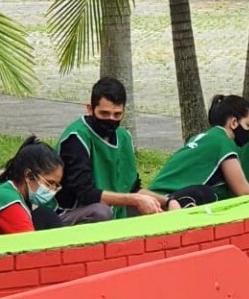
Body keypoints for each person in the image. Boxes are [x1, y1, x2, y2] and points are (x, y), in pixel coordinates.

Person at [55, 76, 168, 225]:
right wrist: (135, 200)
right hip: (70, 213)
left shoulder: (124, 137)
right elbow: (86, 194)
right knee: (101, 212)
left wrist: (167, 201)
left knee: (157, 206)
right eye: (104, 114)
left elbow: (132, 189)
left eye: (117, 114)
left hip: (114, 211)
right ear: (90, 109)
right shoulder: (76, 138)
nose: (111, 119)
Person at [149, 94, 249, 203]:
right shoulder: (223, 142)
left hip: (153, 194)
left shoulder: (204, 137)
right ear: (233, 123)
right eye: (248, 124)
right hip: (167, 200)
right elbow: (243, 190)